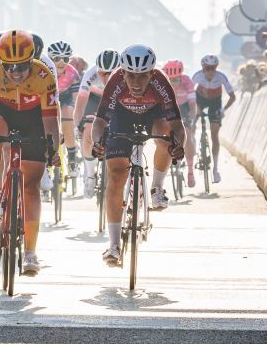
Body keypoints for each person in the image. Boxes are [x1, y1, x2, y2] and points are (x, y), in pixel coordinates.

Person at [0, 30, 59, 277]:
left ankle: (31, 252)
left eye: (21, 66)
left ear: (32, 60)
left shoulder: (45, 76)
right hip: (3, 112)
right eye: (9, 67)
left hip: (34, 118)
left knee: (31, 187)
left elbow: (51, 121)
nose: (15, 72)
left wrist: (53, 149)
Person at [91, 45, 184, 264]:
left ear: (152, 74)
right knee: (115, 175)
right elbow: (100, 121)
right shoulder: (116, 82)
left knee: (166, 137)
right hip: (121, 116)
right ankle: (113, 245)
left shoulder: (161, 82)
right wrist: (97, 142)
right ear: (122, 72)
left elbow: (177, 125)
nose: (136, 82)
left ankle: (157, 187)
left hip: (154, 114)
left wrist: (178, 145)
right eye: (131, 75)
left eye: (142, 76)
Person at [73, 49, 120, 198]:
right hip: (94, 99)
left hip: (115, 98)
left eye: (110, 73)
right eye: (102, 73)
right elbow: (80, 103)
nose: (106, 77)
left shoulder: (125, 75)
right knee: (88, 129)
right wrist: (77, 125)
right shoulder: (90, 75)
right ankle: (90, 175)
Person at [191, 54, 236, 183]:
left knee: (214, 135)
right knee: (192, 123)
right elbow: (189, 92)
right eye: (208, 68)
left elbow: (233, 96)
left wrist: (223, 109)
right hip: (200, 99)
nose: (211, 71)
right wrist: (193, 108)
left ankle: (215, 169)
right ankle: (192, 146)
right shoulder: (198, 75)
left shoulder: (221, 76)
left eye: (213, 68)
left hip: (215, 103)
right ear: (203, 68)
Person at [47, 40, 81, 173]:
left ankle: (72, 159)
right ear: (50, 59)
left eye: (65, 58)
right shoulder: (44, 70)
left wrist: (76, 121)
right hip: (48, 98)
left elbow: (76, 99)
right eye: (56, 58)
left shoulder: (73, 74)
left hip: (66, 98)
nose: (61, 62)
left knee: (67, 116)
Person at [164, 59, 197, 187]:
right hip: (169, 107)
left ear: (180, 77)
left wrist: (192, 118)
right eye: (170, 80)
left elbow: (193, 104)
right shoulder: (162, 80)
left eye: (176, 80)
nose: (173, 83)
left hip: (184, 107)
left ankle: (190, 171)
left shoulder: (187, 81)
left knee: (187, 135)